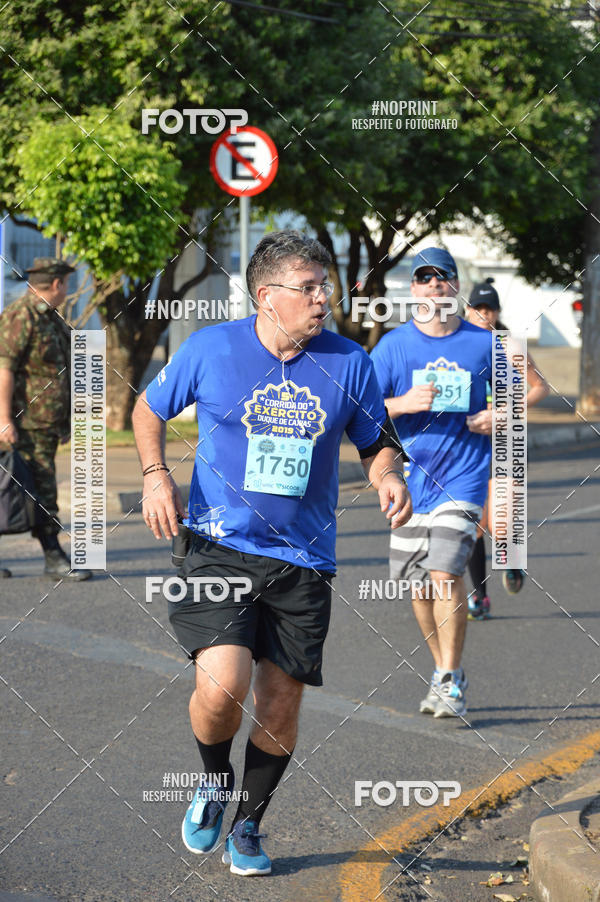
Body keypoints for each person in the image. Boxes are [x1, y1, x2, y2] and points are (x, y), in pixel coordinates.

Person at [131, 230, 412, 876]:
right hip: (217, 545)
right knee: (222, 685)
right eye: (309, 288)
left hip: (304, 560)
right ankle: (211, 782)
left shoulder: (349, 362)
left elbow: (375, 441)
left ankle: (249, 825)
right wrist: (153, 474)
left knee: (280, 701)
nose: (324, 299)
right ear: (267, 297)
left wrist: (388, 475)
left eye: (326, 287)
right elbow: (149, 409)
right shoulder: (212, 348)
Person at [371, 247, 494, 719]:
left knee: (444, 572)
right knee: (418, 585)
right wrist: (404, 403)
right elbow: (360, 410)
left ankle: (449, 674)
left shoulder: (483, 344)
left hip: (463, 478)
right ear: (413, 289)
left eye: (442, 278)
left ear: (455, 288)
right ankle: (445, 670)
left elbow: (523, 394)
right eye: (424, 279)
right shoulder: (393, 347)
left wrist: (498, 415)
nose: (434, 286)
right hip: (409, 482)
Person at [0, 257, 91, 580]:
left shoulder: (51, 319)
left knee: (17, 488)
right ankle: (53, 555)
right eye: (66, 283)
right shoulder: (19, 316)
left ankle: (52, 553)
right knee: (39, 488)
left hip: (46, 423)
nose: (66, 290)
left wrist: (65, 422)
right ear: (56, 284)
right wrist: (4, 418)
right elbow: (4, 369)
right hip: (25, 423)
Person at [464, 279, 549, 617]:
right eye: (478, 308)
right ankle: (479, 597)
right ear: (467, 310)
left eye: (490, 309)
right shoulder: (458, 345)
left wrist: (507, 412)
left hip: (505, 441)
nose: (484, 314)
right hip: (468, 442)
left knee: (499, 523)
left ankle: (511, 559)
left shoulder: (509, 345)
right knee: (473, 523)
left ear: (497, 313)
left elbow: (539, 387)